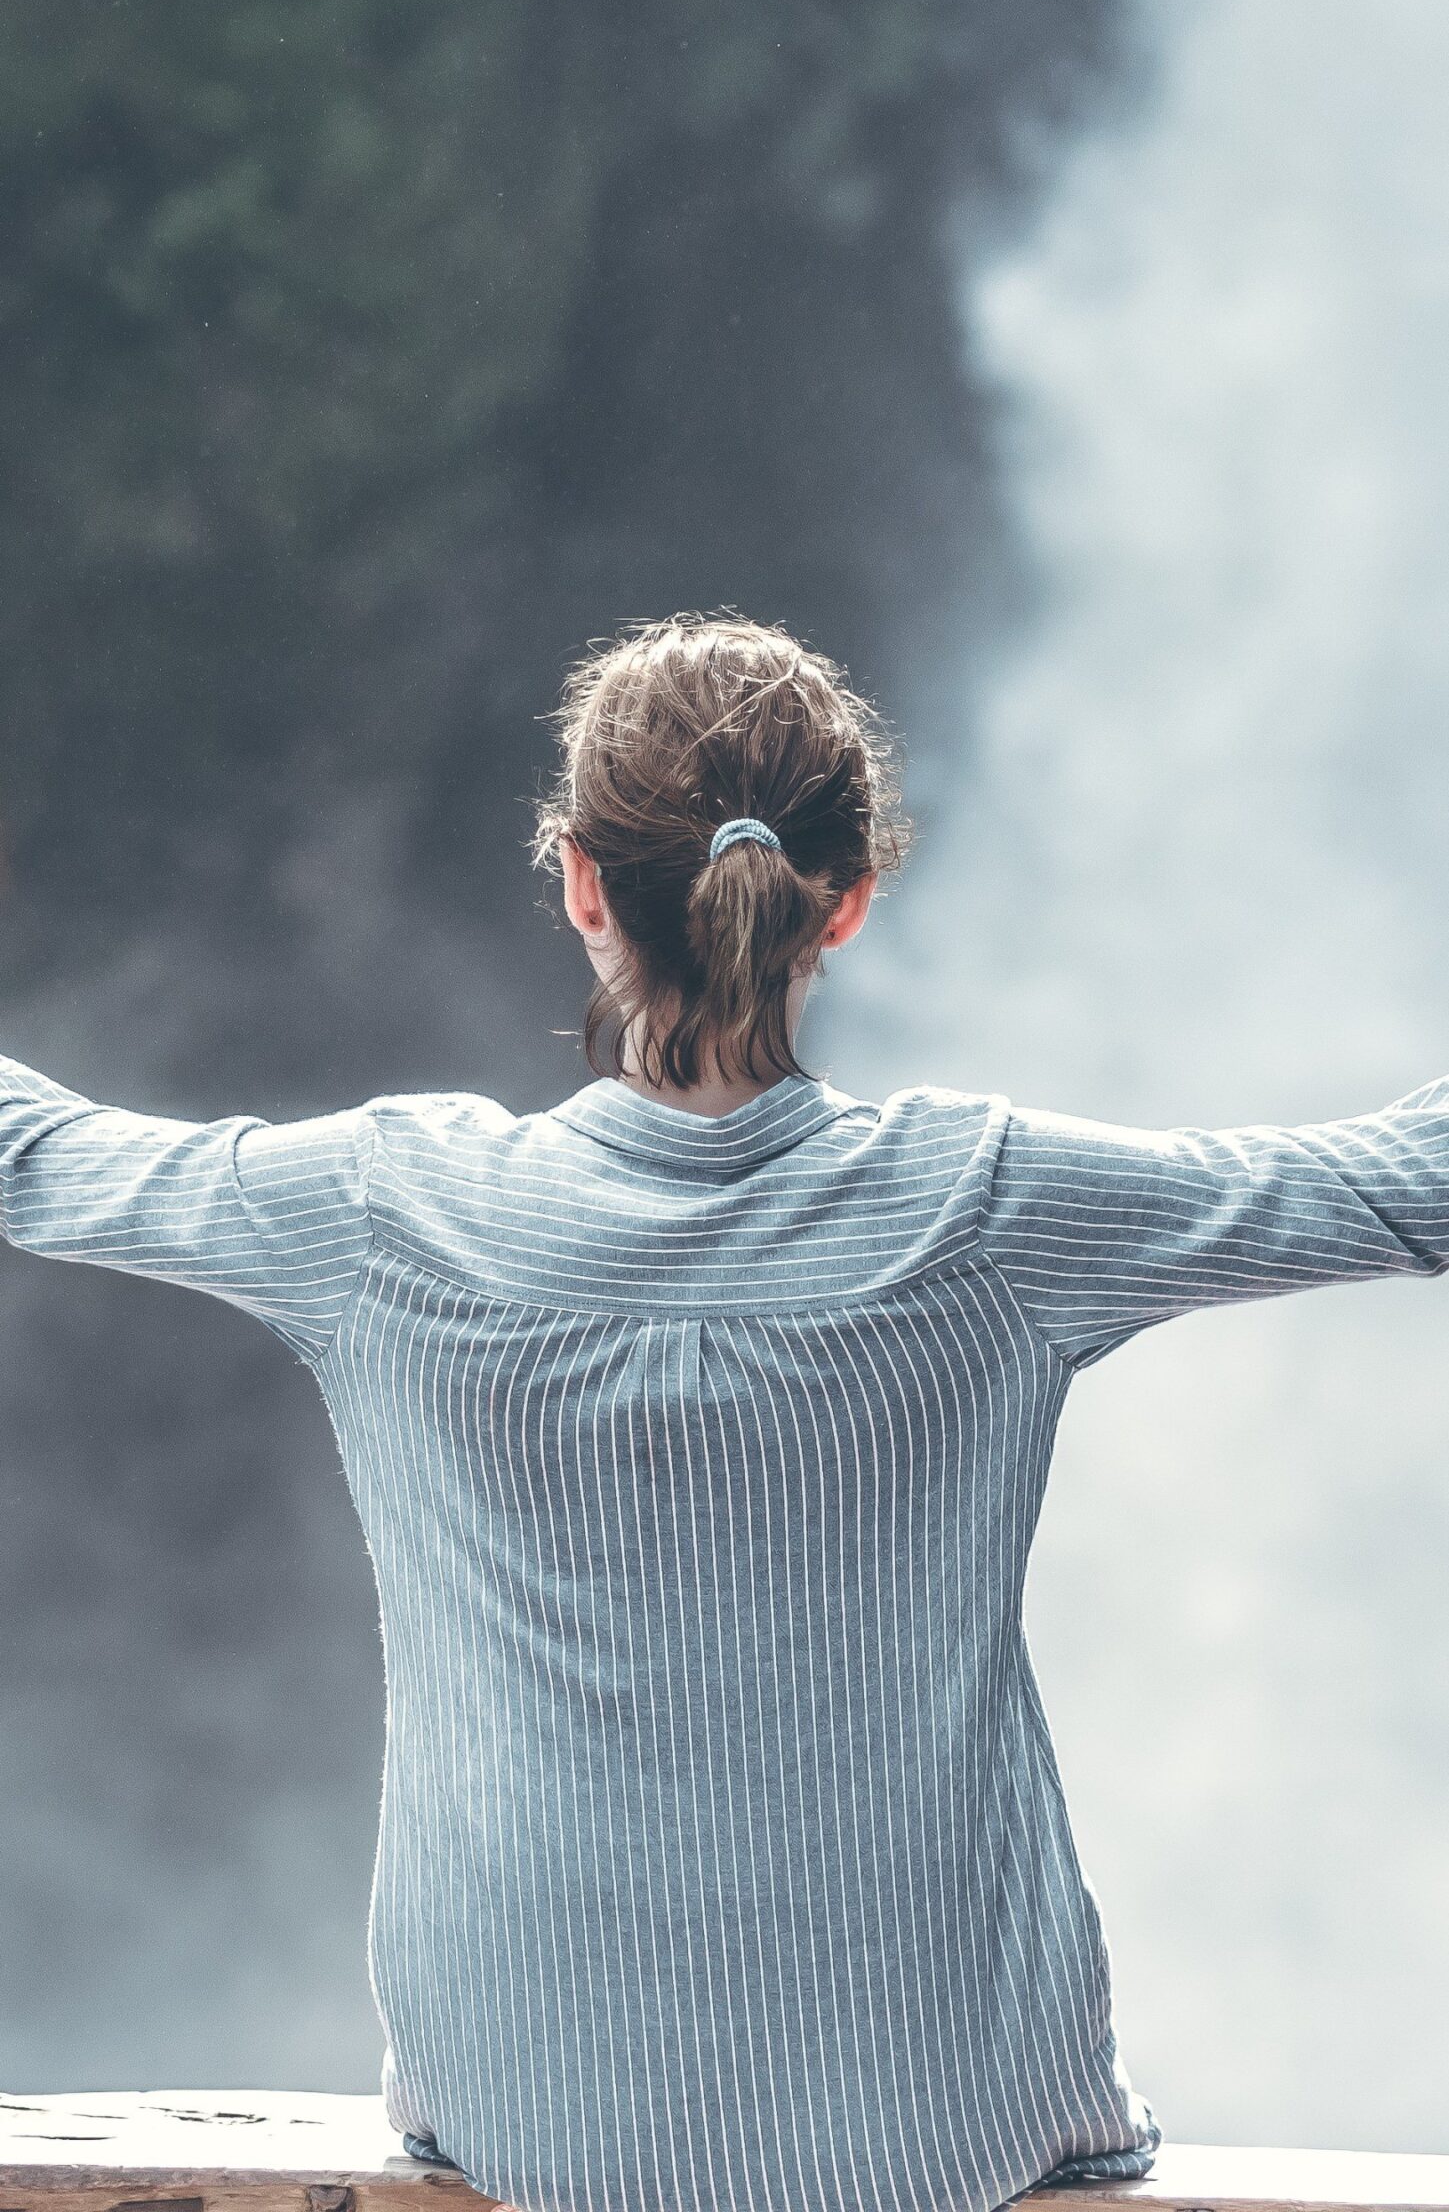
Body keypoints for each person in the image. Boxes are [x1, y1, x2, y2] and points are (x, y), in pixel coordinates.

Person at [2, 607, 1446, 2212]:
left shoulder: (383, 1208)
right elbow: (1415, 1185)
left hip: (532, 2115)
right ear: (848, 905)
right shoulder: (990, 1205)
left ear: (578, 885)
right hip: (940, 2124)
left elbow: (34, 1159)